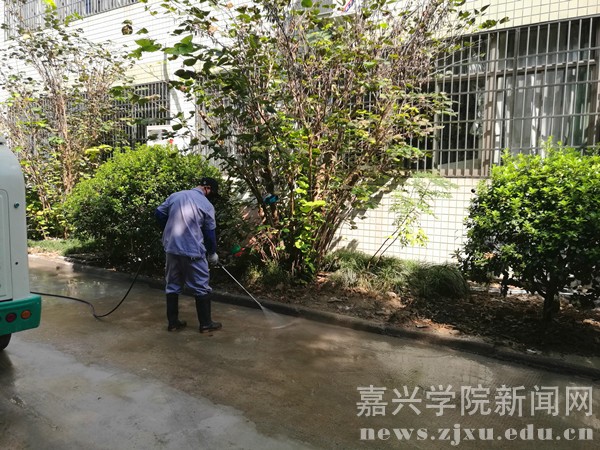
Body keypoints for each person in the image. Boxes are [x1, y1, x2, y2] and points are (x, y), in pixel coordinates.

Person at [155, 177, 222, 333]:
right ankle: (206, 324)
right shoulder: (206, 205)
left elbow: (159, 213)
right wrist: (212, 253)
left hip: (171, 249)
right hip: (193, 252)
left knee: (172, 285)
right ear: (207, 188)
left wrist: (168, 227)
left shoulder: (176, 196)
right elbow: (210, 234)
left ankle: (173, 323)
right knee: (201, 287)